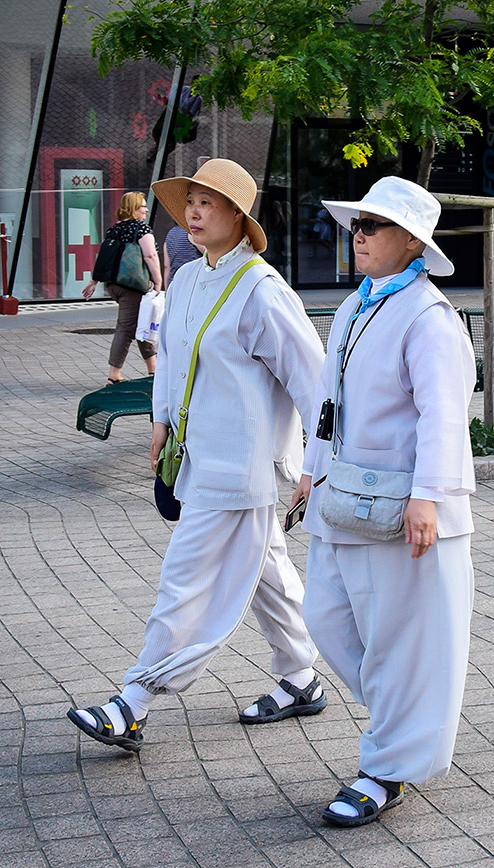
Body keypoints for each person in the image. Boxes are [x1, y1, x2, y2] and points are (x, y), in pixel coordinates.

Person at [67, 159, 327, 752]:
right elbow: (172, 358)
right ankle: (302, 676)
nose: (193, 211)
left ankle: (133, 701)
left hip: (243, 468)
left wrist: (316, 465)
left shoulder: (262, 291)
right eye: (190, 201)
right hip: (197, 458)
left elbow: (316, 382)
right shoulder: (184, 279)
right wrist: (160, 422)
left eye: (208, 202)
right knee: (268, 573)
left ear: (239, 215)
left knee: (185, 582)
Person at [291, 176, 476, 827]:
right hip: (344, 500)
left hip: (404, 512)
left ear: (411, 241)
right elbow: (327, 404)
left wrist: (428, 497)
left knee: (398, 640)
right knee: (326, 615)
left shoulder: (429, 317)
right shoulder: (355, 306)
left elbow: (444, 416)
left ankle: (385, 769)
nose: (359, 235)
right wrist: (311, 470)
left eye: (373, 226)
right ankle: (411, 720)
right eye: (358, 224)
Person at [83, 192, 162, 384]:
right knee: (126, 329)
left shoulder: (114, 230)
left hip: (115, 285)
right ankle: (114, 374)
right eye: (143, 206)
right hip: (132, 286)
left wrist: (94, 281)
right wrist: (158, 281)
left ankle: (154, 370)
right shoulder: (141, 229)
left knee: (141, 323)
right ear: (134, 208)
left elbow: (104, 257)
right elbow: (150, 256)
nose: (146, 209)